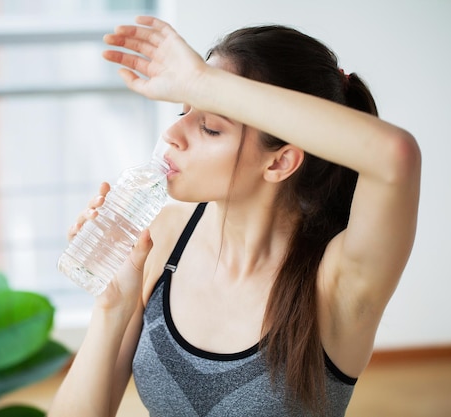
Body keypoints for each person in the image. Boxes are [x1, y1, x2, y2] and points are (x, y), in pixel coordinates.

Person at [49, 15, 421, 417]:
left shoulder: (339, 281)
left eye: (210, 126)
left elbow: (394, 156)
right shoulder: (162, 238)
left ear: (280, 163)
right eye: (185, 109)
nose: (173, 134)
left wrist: (204, 83)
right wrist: (112, 307)